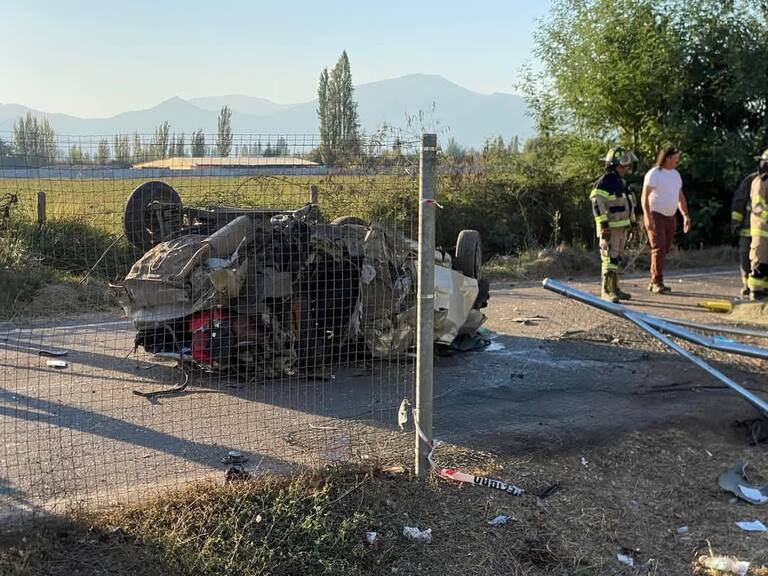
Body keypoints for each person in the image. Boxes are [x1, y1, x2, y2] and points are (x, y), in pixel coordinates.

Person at [590, 147, 638, 302]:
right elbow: (597, 202)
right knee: (609, 259)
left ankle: (616, 289)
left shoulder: (621, 182)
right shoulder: (606, 181)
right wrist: (603, 224)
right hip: (610, 228)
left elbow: (629, 203)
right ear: (614, 165)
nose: (625, 169)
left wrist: (632, 223)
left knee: (617, 259)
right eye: (623, 166)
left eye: (626, 166)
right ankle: (607, 291)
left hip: (621, 227)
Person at [641, 146, 691, 293]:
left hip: (671, 216)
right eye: (676, 157)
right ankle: (657, 282)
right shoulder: (654, 174)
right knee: (659, 247)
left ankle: (653, 279)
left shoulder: (676, 175)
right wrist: (647, 216)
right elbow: (644, 196)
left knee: (665, 248)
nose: (678, 160)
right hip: (655, 214)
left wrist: (685, 215)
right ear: (668, 158)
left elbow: (680, 196)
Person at [731, 167, 758, 297]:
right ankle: (747, 285)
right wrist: (736, 222)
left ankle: (757, 286)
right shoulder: (752, 179)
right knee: (746, 258)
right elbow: (739, 200)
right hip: (748, 227)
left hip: (759, 227)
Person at [748, 150, 768, 300]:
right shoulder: (760, 182)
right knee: (759, 260)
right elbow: (757, 206)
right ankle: (755, 292)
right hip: (761, 229)